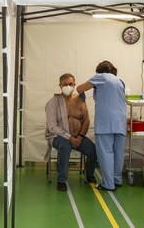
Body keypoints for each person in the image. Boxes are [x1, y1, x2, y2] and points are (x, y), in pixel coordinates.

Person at [76, 60, 126, 191]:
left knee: (106, 153)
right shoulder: (120, 81)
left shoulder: (100, 77)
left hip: (106, 122)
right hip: (120, 122)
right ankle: (117, 180)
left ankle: (108, 184)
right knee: (118, 153)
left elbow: (80, 88)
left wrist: (82, 96)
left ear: (99, 70)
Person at [45, 73, 97, 191]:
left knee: (92, 149)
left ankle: (89, 174)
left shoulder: (80, 100)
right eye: (65, 84)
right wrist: (69, 138)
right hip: (58, 137)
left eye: (70, 84)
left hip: (78, 136)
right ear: (60, 86)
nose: (68, 86)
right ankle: (61, 180)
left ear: (74, 85)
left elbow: (86, 120)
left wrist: (80, 137)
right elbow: (52, 126)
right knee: (65, 146)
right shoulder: (53, 103)